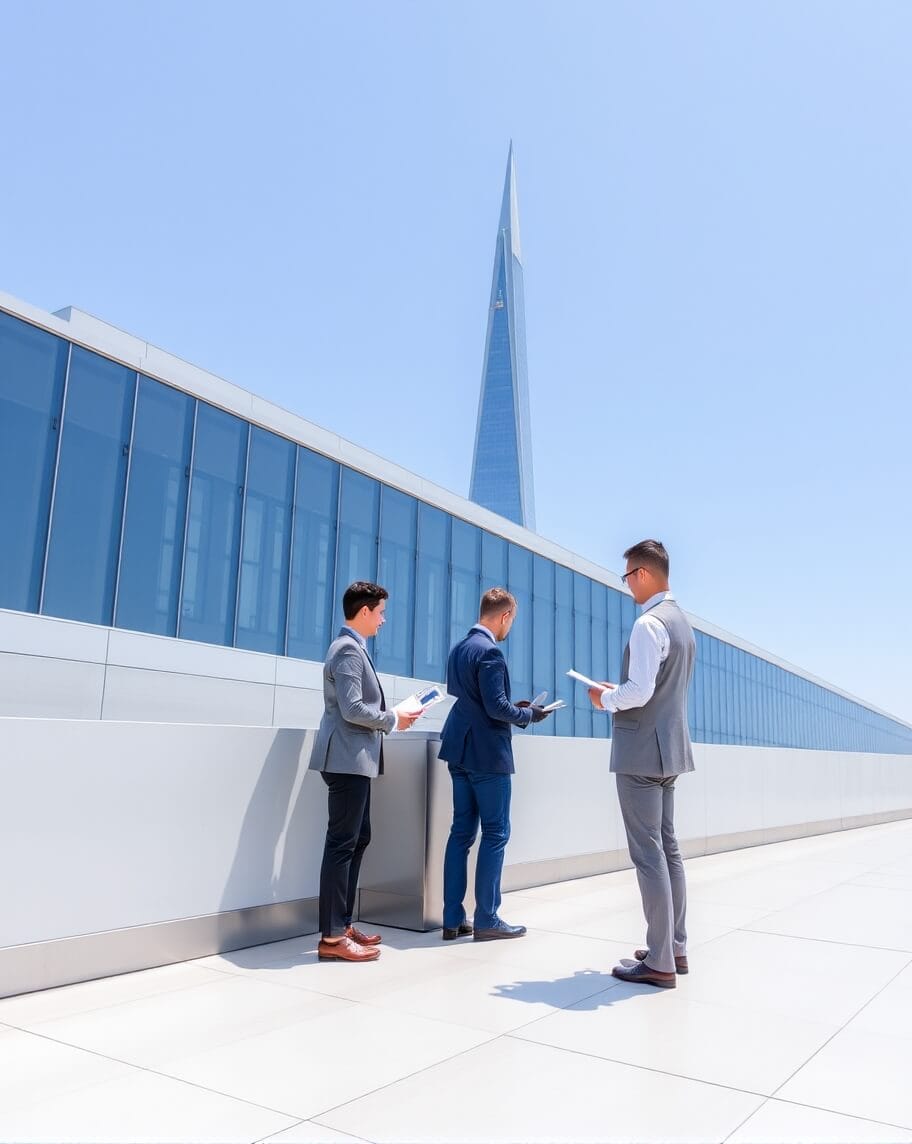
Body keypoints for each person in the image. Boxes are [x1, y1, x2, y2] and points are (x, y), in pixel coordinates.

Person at [588, 539, 695, 989]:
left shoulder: (648, 624)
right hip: (670, 749)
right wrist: (622, 690)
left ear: (645, 574)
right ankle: (674, 946)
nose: (627, 584)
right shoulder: (683, 624)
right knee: (668, 849)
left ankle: (660, 961)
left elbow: (641, 691)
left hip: (640, 753)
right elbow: (659, 687)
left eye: (628, 576)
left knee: (648, 854)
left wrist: (605, 698)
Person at [309, 580, 421, 963]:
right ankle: (332, 937)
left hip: (355, 761)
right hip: (346, 760)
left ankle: (342, 924)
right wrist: (393, 719)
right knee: (342, 844)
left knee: (358, 838)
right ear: (364, 611)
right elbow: (352, 708)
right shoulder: (347, 650)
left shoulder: (353, 648)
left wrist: (393, 716)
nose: (383, 620)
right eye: (381, 612)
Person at [439, 587, 551, 941]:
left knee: (460, 833)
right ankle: (487, 918)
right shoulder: (491, 652)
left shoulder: (460, 648)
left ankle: (452, 919)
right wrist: (529, 714)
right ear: (504, 616)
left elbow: (473, 699)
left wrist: (513, 706)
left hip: (458, 749)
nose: (509, 627)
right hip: (487, 754)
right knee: (496, 833)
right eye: (511, 620)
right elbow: (495, 707)